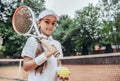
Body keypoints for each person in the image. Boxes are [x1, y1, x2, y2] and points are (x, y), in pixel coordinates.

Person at [21, 9, 64, 81]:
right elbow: (26, 67)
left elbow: (59, 64)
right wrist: (45, 55)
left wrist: (60, 72)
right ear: (39, 23)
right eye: (47, 22)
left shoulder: (57, 44)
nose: (50, 26)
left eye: (53, 23)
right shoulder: (32, 40)